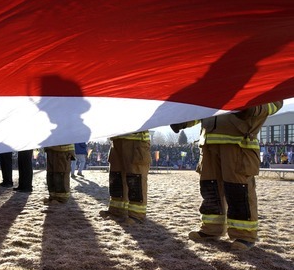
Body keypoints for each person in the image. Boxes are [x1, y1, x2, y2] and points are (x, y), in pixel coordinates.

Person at [170, 101, 283, 251]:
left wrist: (252, 108)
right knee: (210, 190)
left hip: (238, 143)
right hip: (209, 143)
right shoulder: (214, 82)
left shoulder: (256, 78)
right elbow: (204, 108)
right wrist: (184, 120)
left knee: (238, 191)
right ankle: (211, 229)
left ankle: (244, 235)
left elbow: (275, 102)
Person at [99, 131, 151, 225]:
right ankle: (117, 211)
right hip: (117, 140)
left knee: (135, 179)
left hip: (136, 141)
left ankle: (136, 216)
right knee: (116, 176)